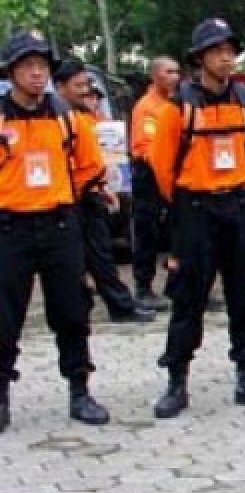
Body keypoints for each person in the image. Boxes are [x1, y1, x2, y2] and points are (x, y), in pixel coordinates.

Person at [146, 18, 245, 418]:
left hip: (237, 206)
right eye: (217, 51)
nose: (226, 58)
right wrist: (191, 197)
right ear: (200, 58)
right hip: (195, 209)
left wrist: (239, 188)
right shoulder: (178, 106)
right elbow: (161, 165)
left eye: (229, 51)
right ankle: (177, 381)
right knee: (188, 296)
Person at [0, 31, 110, 432]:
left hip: (60, 225)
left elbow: (89, 166)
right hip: (10, 228)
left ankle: (79, 390)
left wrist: (63, 196)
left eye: (42, 66)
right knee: (4, 316)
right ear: (11, 72)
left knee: (71, 311)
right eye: (27, 66)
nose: (35, 73)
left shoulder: (66, 117)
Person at [54, 61, 154, 324]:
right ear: (60, 87)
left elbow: (99, 155)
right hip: (66, 196)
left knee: (99, 252)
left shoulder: (84, 115)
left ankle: (117, 304)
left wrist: (102, 187)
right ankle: (99, 304)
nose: (85, 90)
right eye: (78, 86)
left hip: (88, 192)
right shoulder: (58, 118)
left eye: (86, 84)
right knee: (78, 256)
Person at [130, 56, 180, 311]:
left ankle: (177, 283)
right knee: (147, 230)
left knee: (179, 229)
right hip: (148, 173)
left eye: (176, 71)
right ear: (155, 76)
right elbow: (148, 147)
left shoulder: (175, 104)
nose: (175, 76)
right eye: (168, 72)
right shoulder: (147, 107)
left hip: (172, 171)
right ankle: (143, 287)